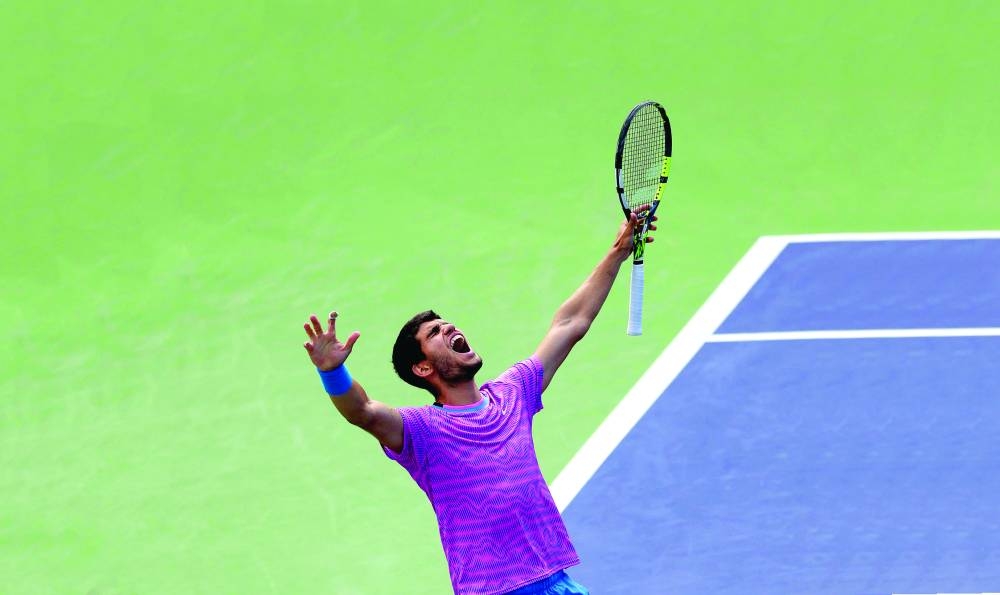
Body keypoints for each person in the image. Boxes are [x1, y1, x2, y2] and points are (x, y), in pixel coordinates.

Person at [302, 209, 656, 595]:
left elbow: (569, 325)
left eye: (447, 323)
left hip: (556, 580)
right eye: (435, 333)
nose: (450, 327)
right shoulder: (421, 431)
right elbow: (363, 412)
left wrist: (618, 251)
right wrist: (332, 372)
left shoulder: (513, 394)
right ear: (422, 368)